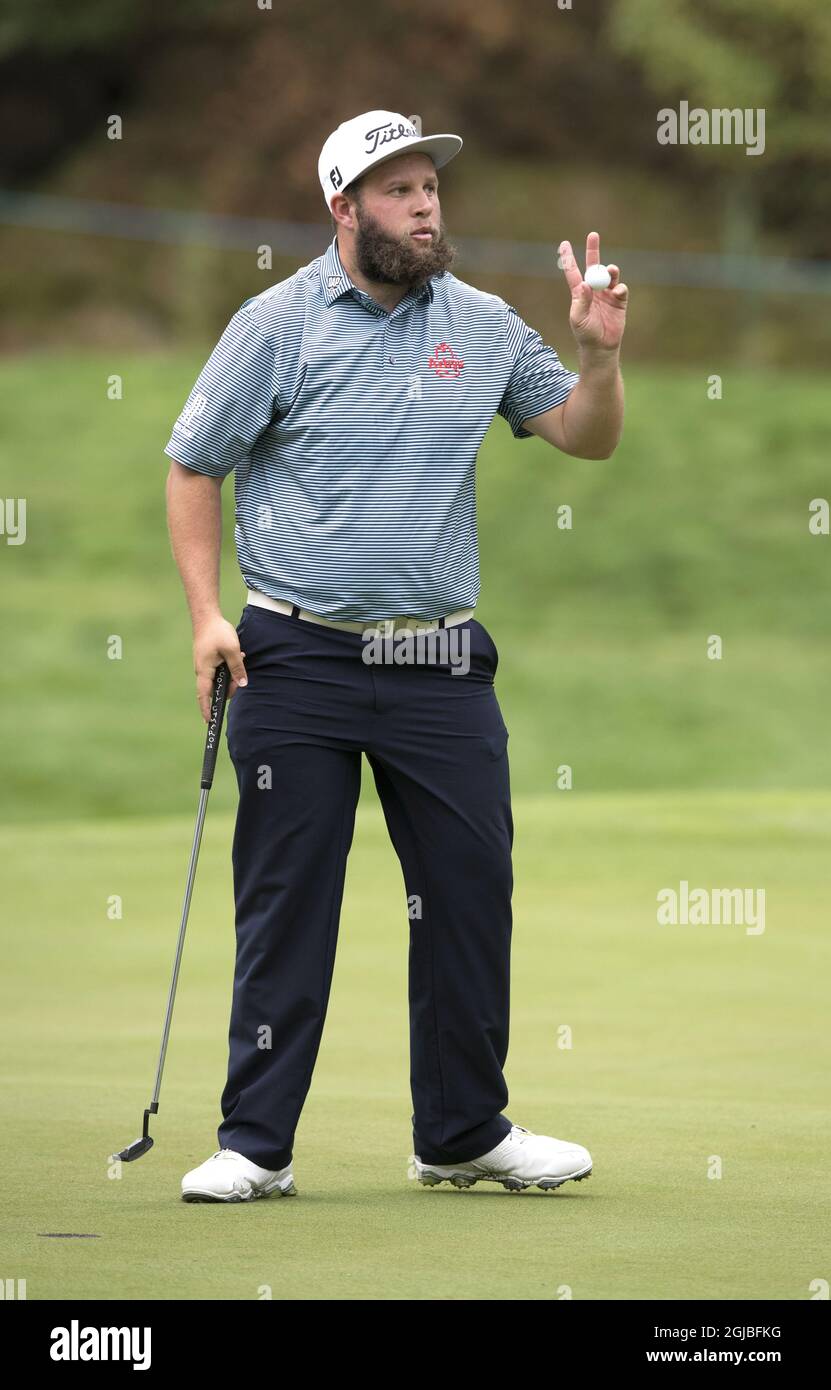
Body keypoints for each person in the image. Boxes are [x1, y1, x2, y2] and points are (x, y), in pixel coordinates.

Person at [165, 109, 627, 1203]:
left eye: (431, 188)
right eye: (399, 190)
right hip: (294, 656)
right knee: (290, 900)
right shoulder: (273, 326)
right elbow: (195, 466)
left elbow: (586, 435)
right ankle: (256, 1144)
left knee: (470, 892)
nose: (426, 206)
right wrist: (203, 615)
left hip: (440, 663)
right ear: (344, 208)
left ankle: (463, 1131)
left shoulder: (484, 322)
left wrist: (602, 358)